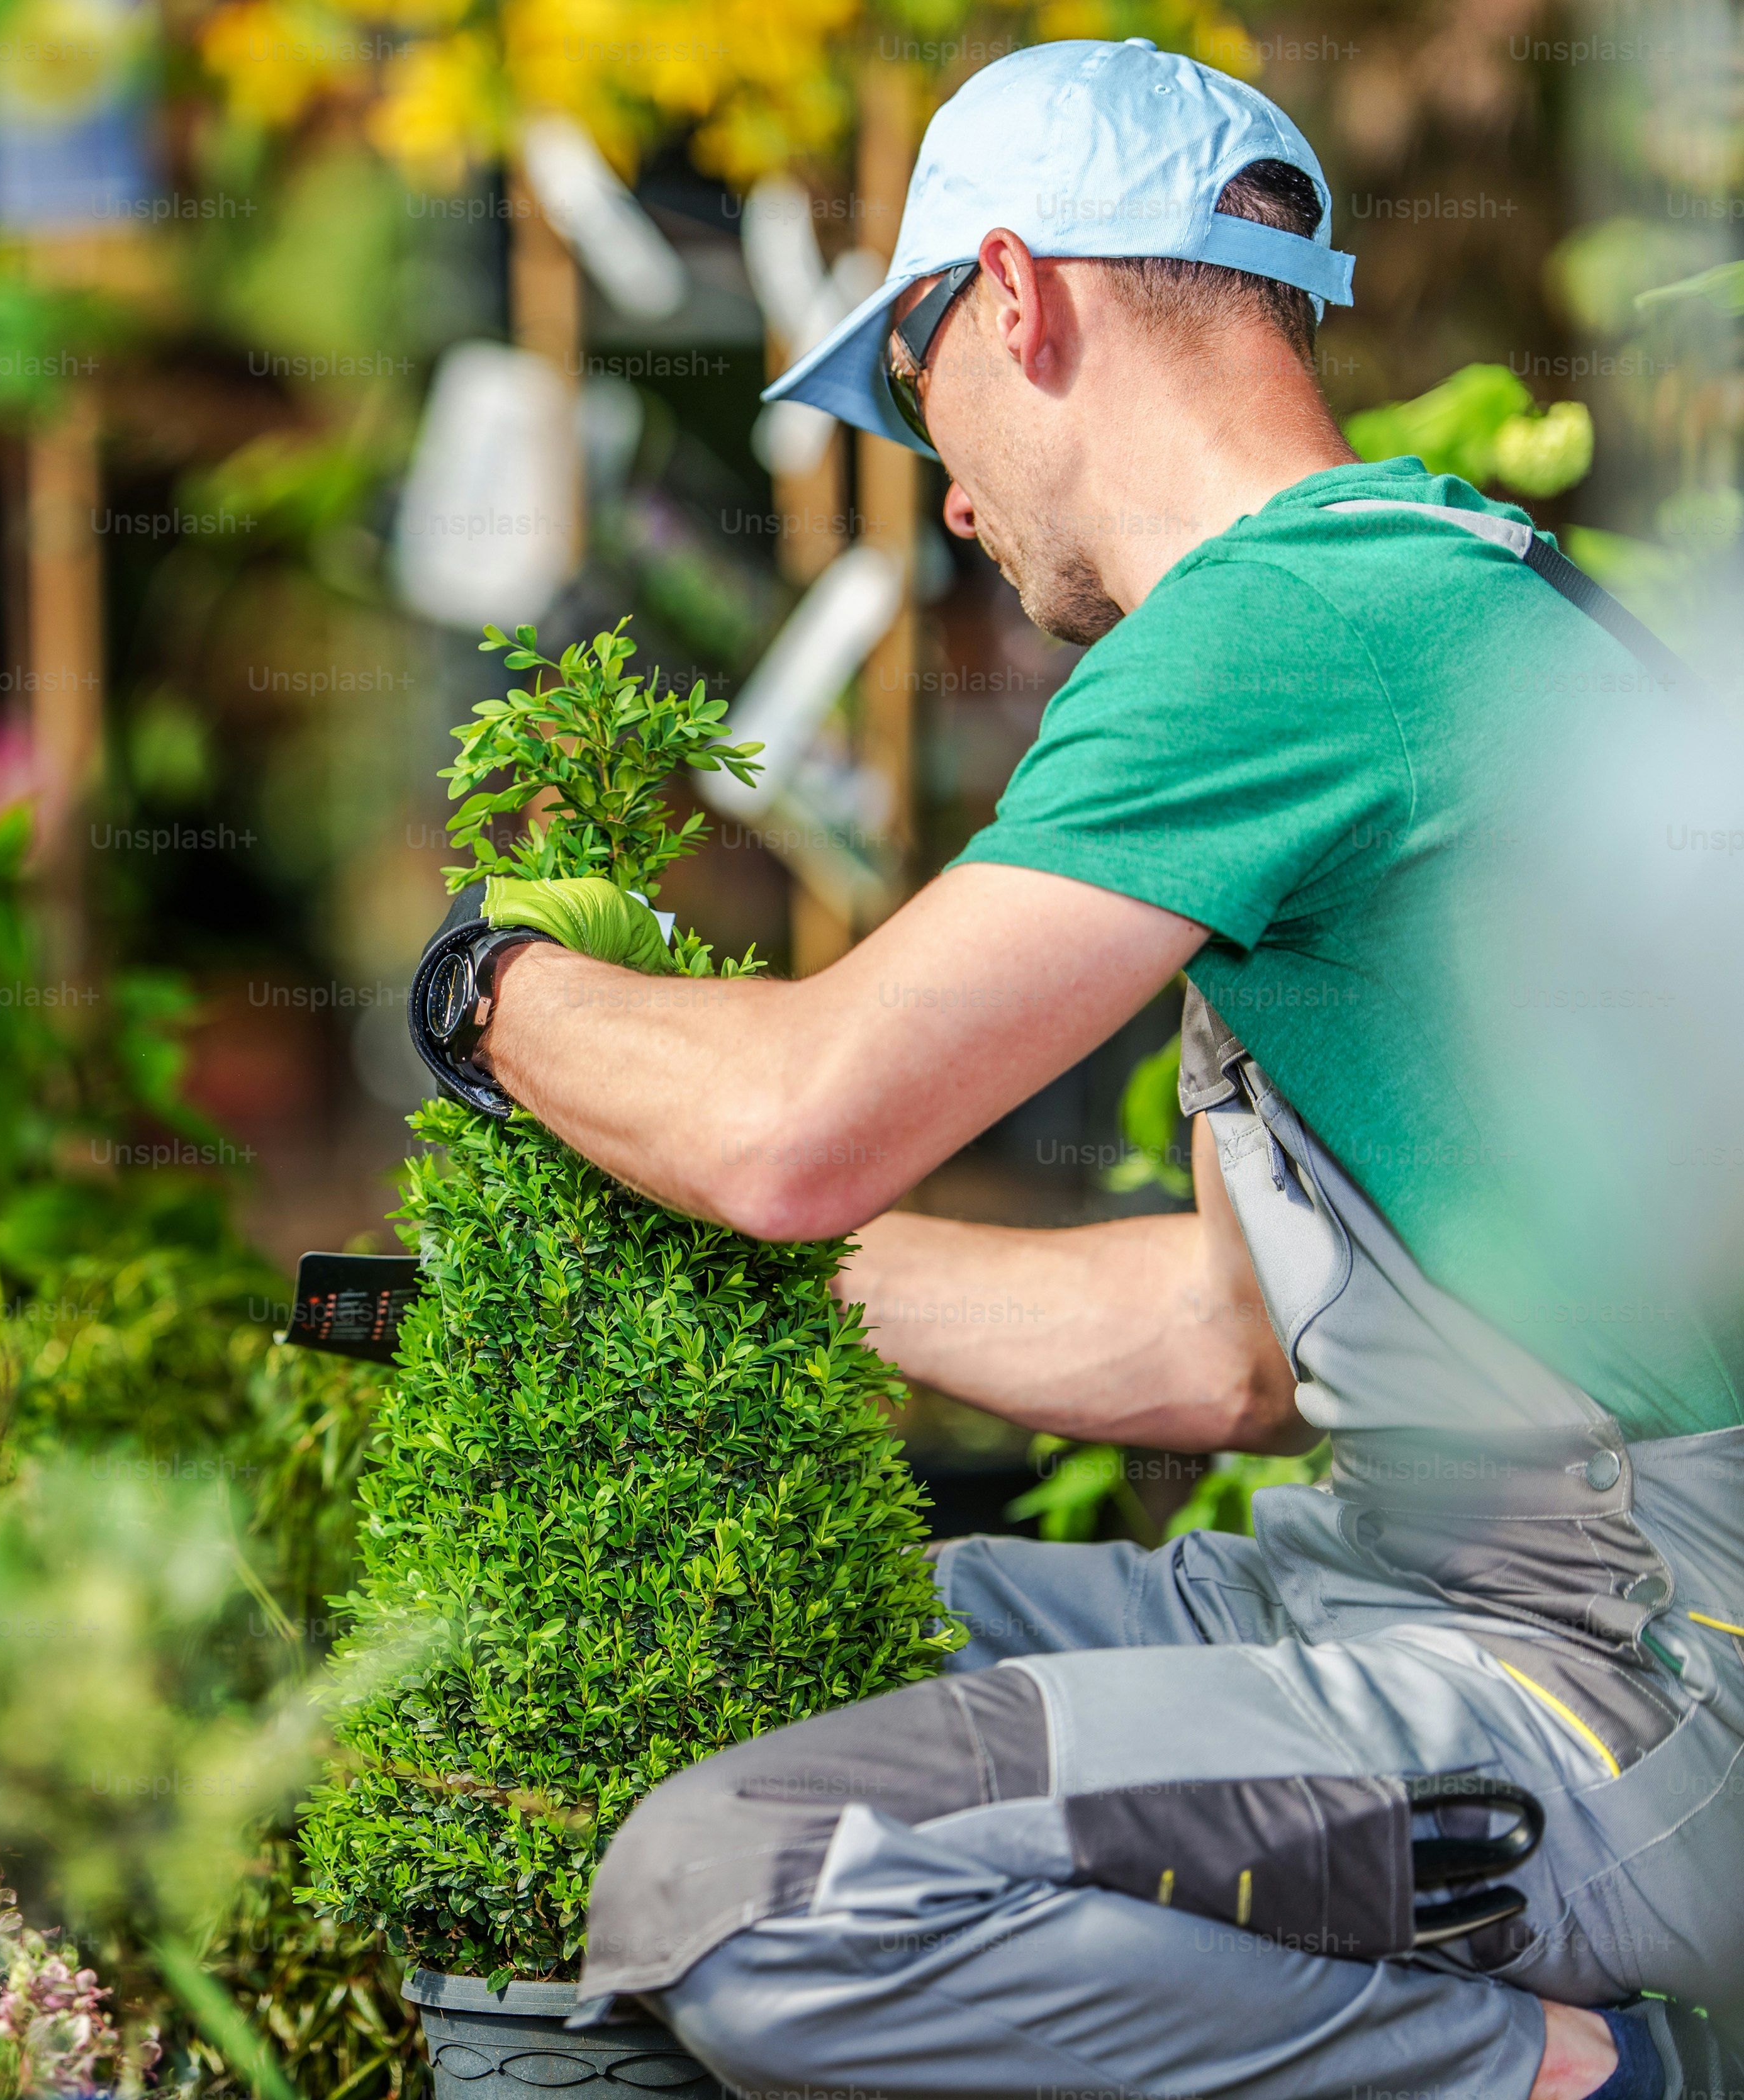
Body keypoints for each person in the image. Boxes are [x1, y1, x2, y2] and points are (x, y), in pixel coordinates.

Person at [410, 37, 1743, 2100]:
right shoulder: (1403, 602)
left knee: (757, 1883)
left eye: (916, 385)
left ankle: (1582, 2081)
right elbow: (1217, 1344)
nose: (944, 491)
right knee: (760, 1636)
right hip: (1411, 1579)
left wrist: (489, 991)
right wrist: (701, 1291)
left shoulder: (1290, 629)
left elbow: (791, 1128)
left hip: (1618, 1677)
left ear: (1019, 296)